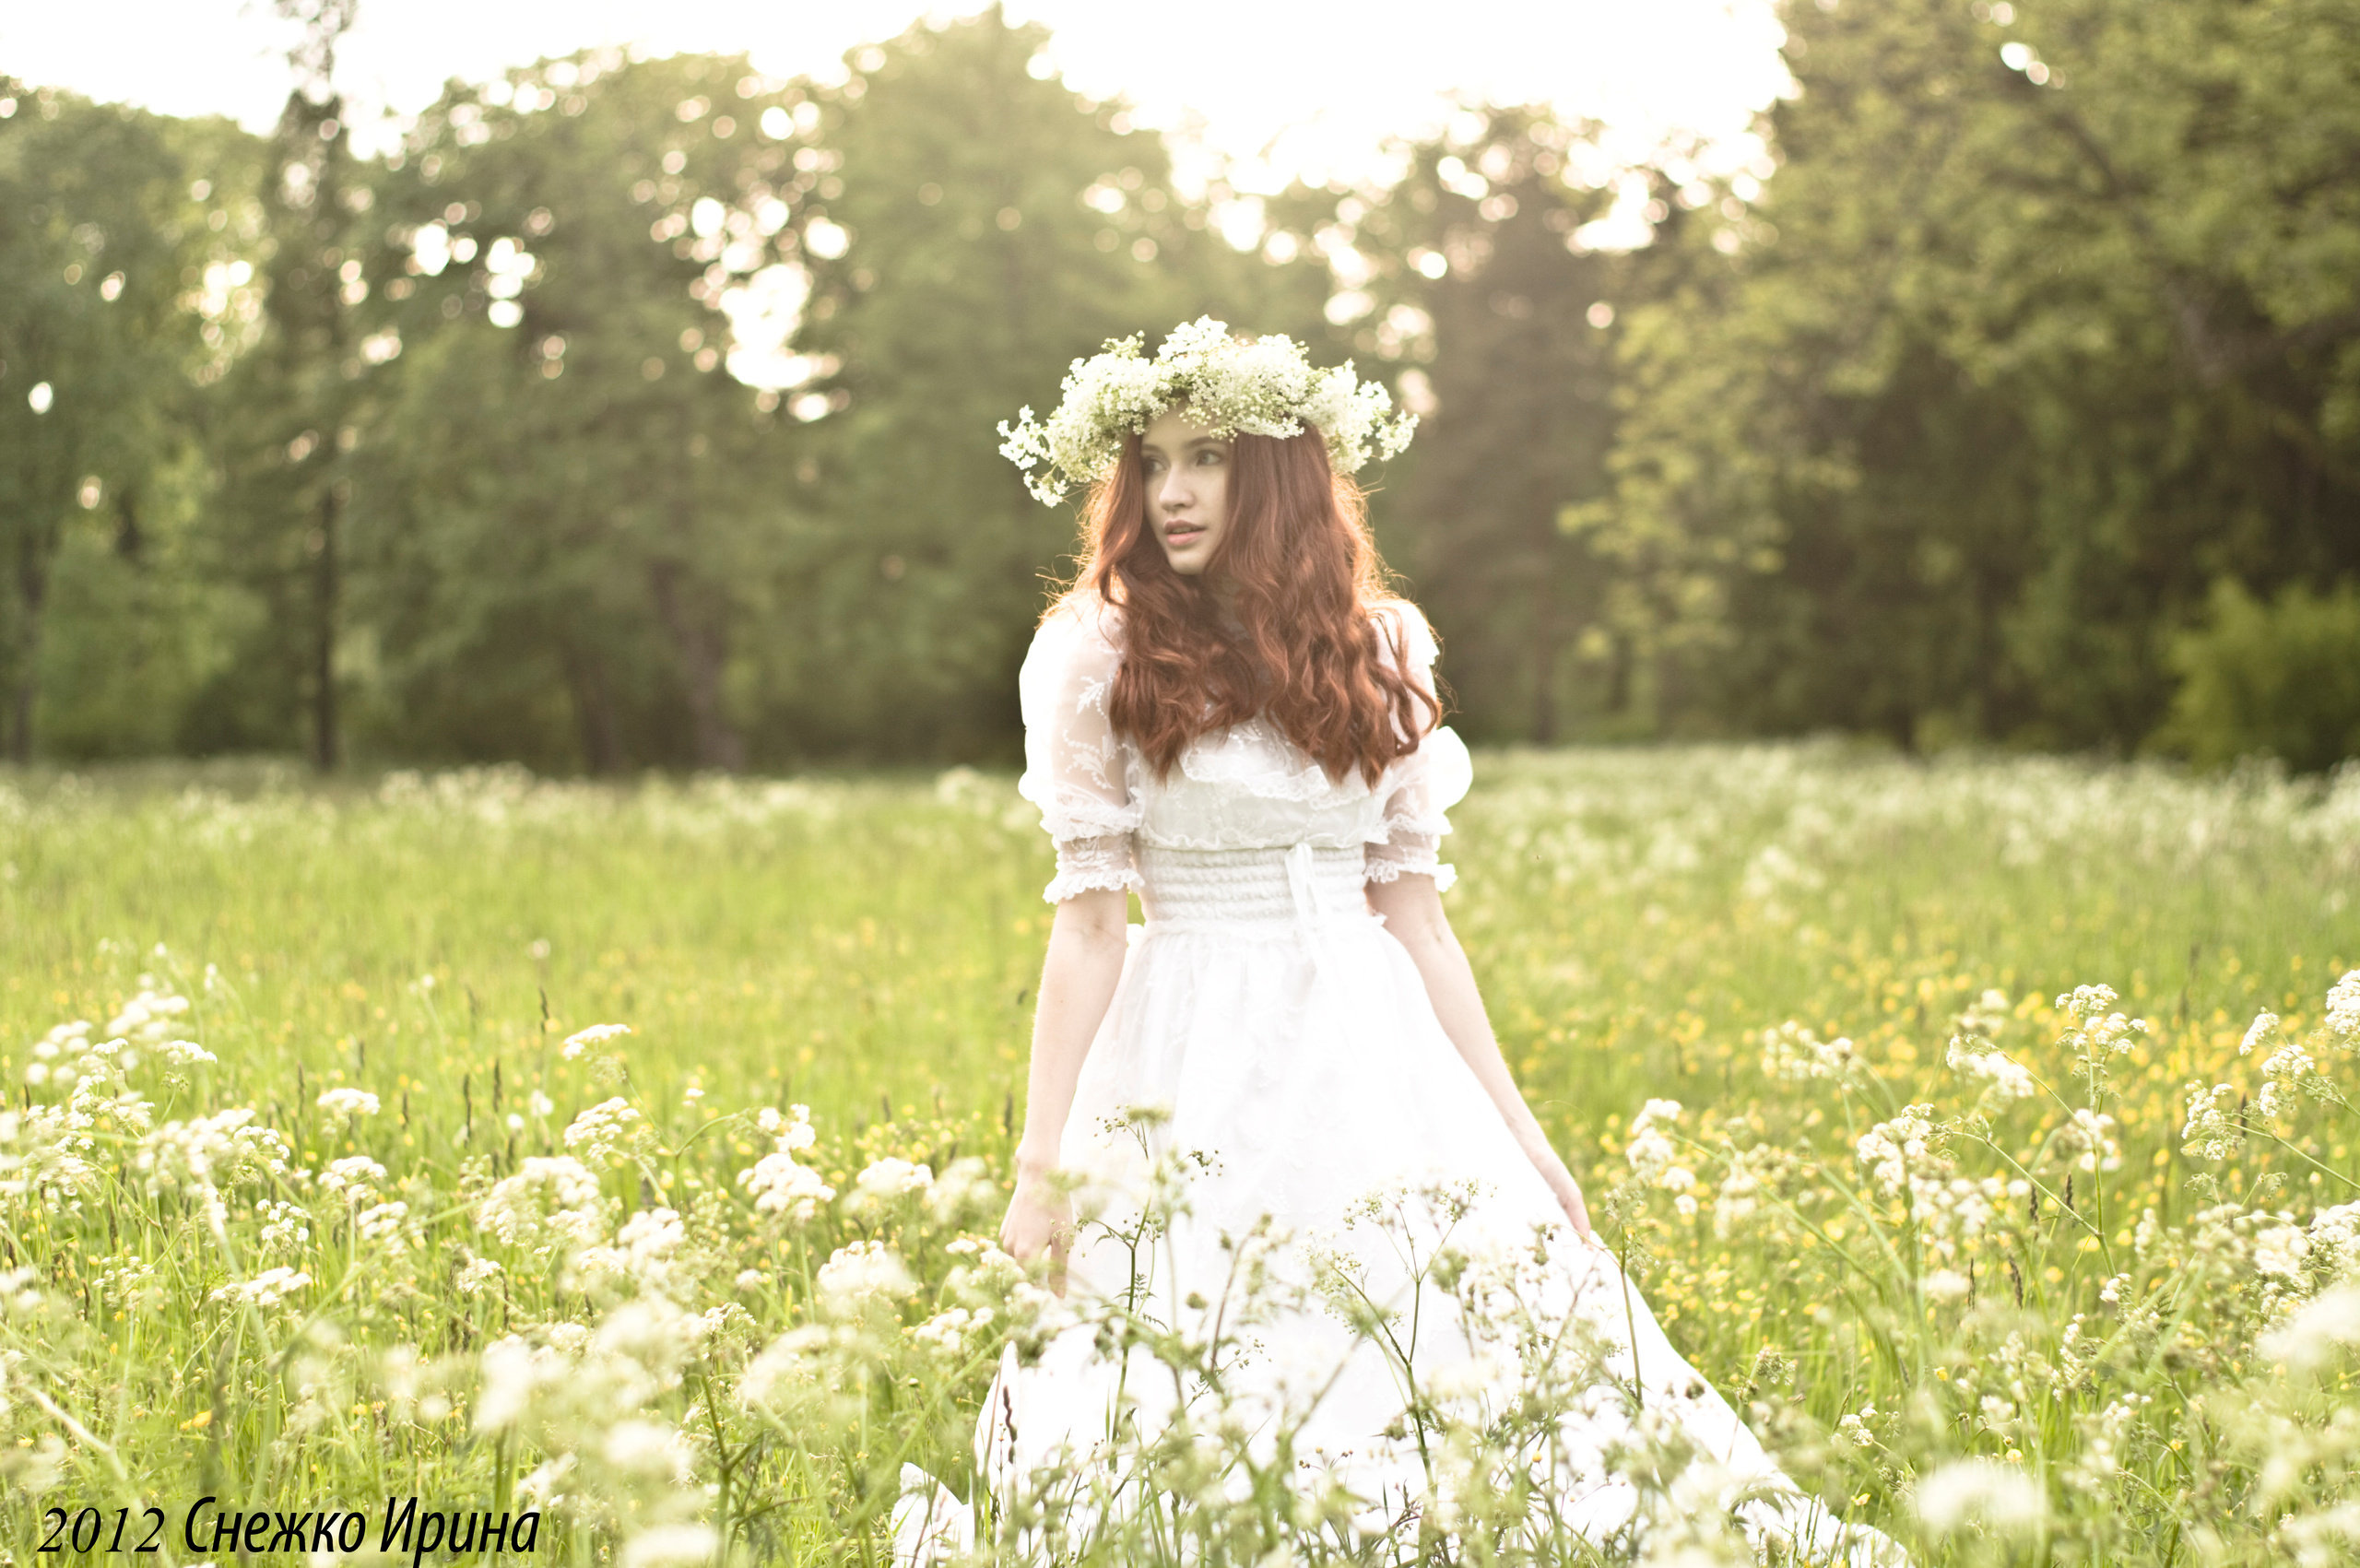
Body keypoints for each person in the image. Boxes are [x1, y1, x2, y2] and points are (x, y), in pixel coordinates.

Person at [893, 320, 1898, 1564]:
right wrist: (1042, 1164)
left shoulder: (1380, 644)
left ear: (1281, 473)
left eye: (1206, 457)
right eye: (1151, 463)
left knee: (1452, 1334)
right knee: (1197, 1349)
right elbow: (1091, 923)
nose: (1174, 492)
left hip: (1374, 1043)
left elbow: (1418, 919)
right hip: (1190, 1044)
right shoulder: (1098, 649)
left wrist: (1522, 1132)